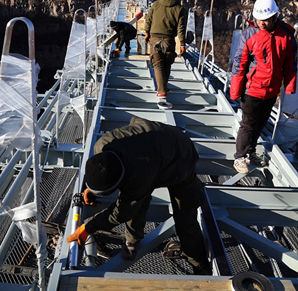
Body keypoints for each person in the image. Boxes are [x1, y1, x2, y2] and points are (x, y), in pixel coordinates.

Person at [66, 116, 211, 275]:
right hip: (153, 140)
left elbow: (122, 212)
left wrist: (88, 228)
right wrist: (91, 190)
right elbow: (113, 183)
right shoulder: (102, 147)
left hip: (181, 155)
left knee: (185, 217)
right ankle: (132, 241)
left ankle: (199, 263)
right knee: (136, 199)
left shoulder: (139, 174)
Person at [230, 0, 297, 174]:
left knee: (261, 124)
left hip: (271, 91)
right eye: (259, 19)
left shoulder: (287, 36)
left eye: (265, 20)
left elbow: (291, 63)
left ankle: (250, 153)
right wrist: (236, 89)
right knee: (248, 124)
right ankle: (240, 157)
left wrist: (289, 86)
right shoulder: (249, 35)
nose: (262, 23)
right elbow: (239, 63)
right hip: (252, 89)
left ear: (274, 17)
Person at [144, 0, 186, 110]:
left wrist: (146, 33)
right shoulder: (180, 9)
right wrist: (182, 44)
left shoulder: (156, 4)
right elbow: (181, 28)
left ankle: (162, 90)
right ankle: (163, 88)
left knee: (157, 65)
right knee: (167, 64)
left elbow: (149, 19)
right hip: (168, 40)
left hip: (154, 38)